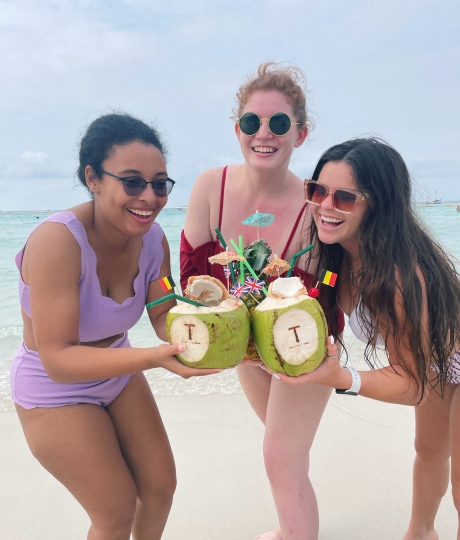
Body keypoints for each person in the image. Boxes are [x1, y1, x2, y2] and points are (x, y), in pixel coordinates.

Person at [10, 113, 220, 540]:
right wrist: (158, 358)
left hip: (118, 375)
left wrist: (206, 331)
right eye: (131, 181)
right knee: (115, 511)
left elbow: (162, 312)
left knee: (160, 488)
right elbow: (58, 359)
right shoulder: (57, 241)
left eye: (159, 184)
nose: (149, 197)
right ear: (93, 178)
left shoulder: (154, 240)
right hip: (53, 390)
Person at [183, 62, 343, 540]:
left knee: (279, 456)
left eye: (279, 123)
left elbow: (328, 287)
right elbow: (192, 276)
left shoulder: (315, 204)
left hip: (303, 346)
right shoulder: (211, 186)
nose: (264, 134)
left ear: (301, 132)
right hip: (243, 346)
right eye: (252, 122)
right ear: (238, 128)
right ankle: (291, 526)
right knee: (283, 452)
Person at [277, 137, 460, 540]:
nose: (325, 205)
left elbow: (411, 384)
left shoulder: (400, 276)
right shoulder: (333, 255)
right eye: (317, 190)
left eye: (344, 197)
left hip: (454, 353)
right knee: (429, 450)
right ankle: (421, 533)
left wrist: (343, 377)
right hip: (437, 355)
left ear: (377, 203)